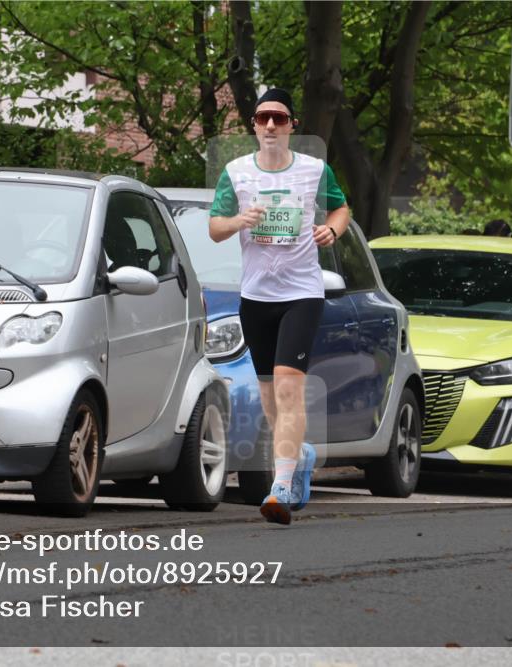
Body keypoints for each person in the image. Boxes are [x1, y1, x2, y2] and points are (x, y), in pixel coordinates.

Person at [209, 88, 350, 525]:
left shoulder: (314, 170)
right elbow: (215, 229)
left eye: (279, 118)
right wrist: (238, 221)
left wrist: (331, 230)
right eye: (263, 117)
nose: (271, 125)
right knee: (271, 399)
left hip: (302, 294)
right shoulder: (235, 172)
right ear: (253, 125)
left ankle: (280, 487)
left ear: (292, 126)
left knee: (289, 388)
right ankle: (300, 456)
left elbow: (341, 209)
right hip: (256, 297)